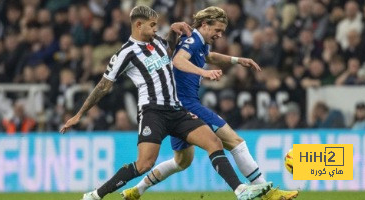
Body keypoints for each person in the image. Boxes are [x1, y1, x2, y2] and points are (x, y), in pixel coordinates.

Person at [60, 6, 272, 200]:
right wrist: (80, 114)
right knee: (144, 164)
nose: (155, 29)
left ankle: (240, 190)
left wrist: (172, 31)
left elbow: (173, 51)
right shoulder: (125, 53)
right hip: (153, 112)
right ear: (138, 25)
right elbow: (103, 86)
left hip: (177, 109)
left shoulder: (159, 42)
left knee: (214, 143)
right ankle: (96, 195)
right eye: (152, 25)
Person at [123, 6, 298, 200]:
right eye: (217, 30)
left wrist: (237, 60)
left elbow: (208, 56)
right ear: (205, 25)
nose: (220, 35)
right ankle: (268, 193)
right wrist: (204, 73)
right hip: (187, 103)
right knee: (235, 142)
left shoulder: (200, 41)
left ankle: (136, 190)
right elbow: (178, 61)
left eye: (222, 31)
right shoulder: (193, 40)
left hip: (177, 106)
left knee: (182, 162)